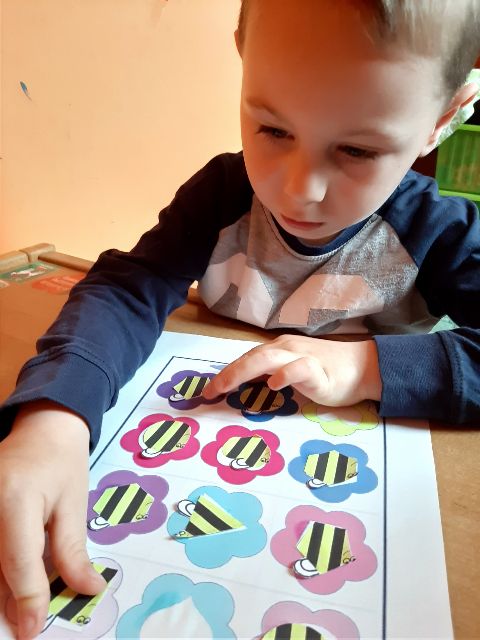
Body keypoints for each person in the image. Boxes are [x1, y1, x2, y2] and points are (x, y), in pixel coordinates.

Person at [1, 1, 479, 638]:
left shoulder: (438, 230)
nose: (299, 188)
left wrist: (365, 366)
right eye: (273, 130)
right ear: (242, 60)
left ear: (443, 120)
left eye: (357, 149)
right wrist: (56, 412)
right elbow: (129, 288)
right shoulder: (221, 195)